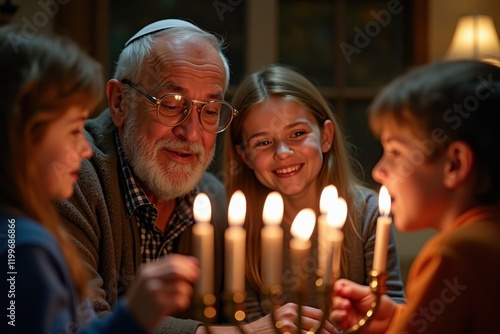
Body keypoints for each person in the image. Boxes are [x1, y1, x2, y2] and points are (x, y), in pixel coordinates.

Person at [55, 19, 330, 334]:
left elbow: (250, 311)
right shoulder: (70, 178)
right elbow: (76, 324)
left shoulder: (215, 201)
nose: (192, 132)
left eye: (210, 110)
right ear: (120, 102)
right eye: (171, 105)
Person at [0, 24, 199, 334]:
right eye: (72, 129)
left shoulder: (22, 232)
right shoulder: (23, 247)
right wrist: (134, 315)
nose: (85, 148)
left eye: (210, 110)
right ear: (24, 134)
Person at [224, 64, 405, 329]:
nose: (283, 152)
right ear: (244, 156)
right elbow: (247, 321)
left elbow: (393, 314)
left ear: (326, 137)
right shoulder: (239, 225)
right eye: (263, 142)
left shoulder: (368, 214)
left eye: (297, 134)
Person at [329, 60, 500, 333]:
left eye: (396, 152)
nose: (378, 171)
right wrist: (398, 319)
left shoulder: (453, 254)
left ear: (454, 165)